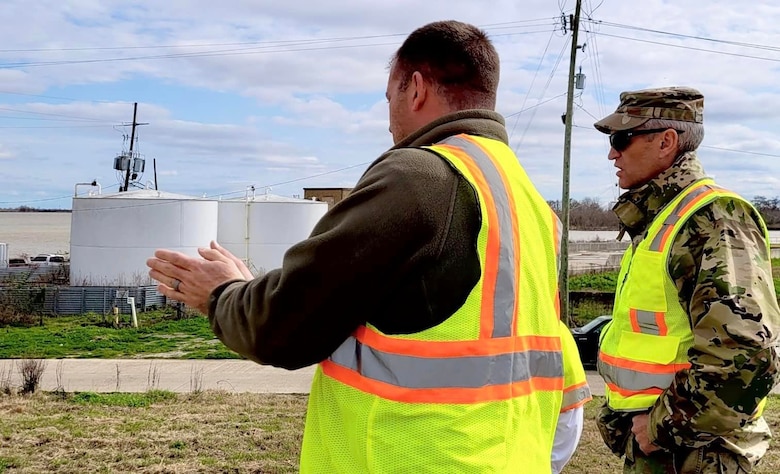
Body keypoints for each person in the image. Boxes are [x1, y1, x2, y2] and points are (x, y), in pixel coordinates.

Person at [147, 20, 589, 473]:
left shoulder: (420, 178)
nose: (390, 118)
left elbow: (281, 329)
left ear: (415, 89)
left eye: (390, 98)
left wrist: (223, 292)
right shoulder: (527, 200)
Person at [592, 86, 780, 473]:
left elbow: (745, 359)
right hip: (671, 450)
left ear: (666, 142)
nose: (612, 153)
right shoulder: (661, 219)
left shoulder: (713, 219)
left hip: (697, 454)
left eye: (622, 138)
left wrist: (662, 427)